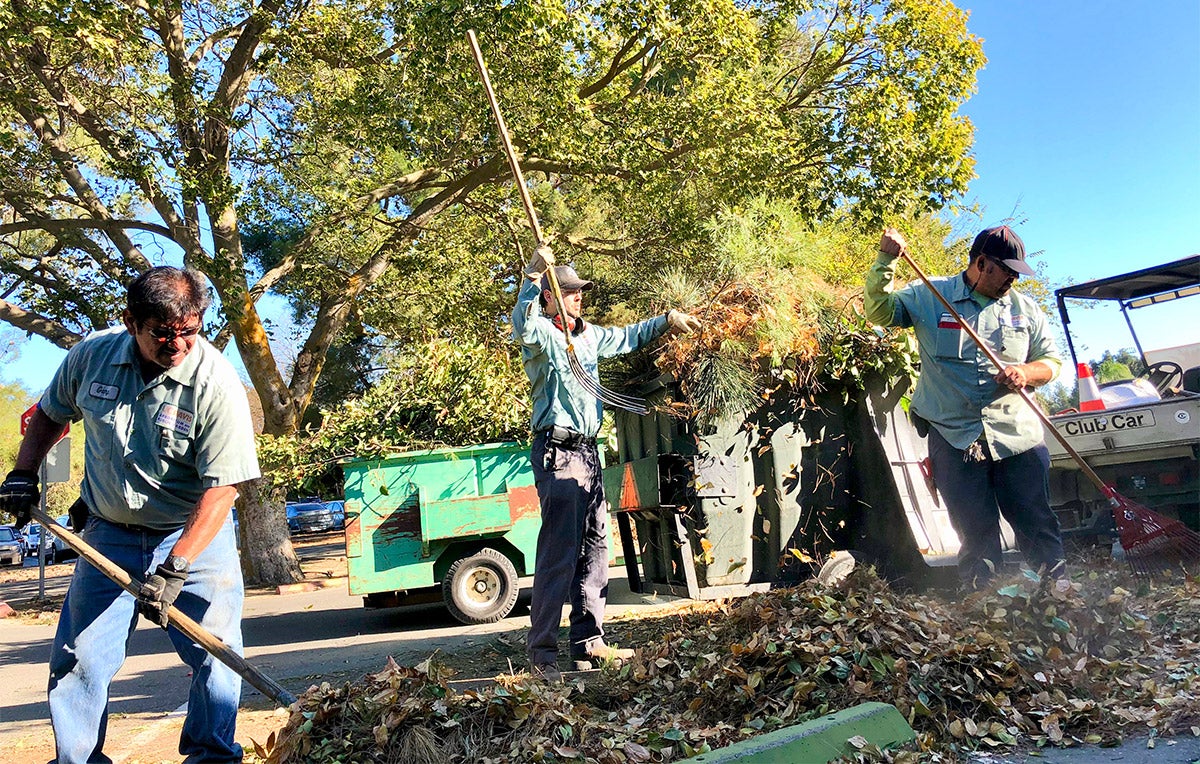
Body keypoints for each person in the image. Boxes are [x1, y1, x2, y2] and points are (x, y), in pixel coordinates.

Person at [0, 266, 260, 763]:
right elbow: (51, 413)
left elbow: (222, 489)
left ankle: (212, 756)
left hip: (193, 537)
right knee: (80, 659)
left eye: (189, 331)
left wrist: (177, 566)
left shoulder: (216, 383)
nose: (177, 345)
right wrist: (22, 473)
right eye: (162, 333)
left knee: (216, 655)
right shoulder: (91, 356)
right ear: (131, 322)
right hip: (108, 534)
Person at [513, 245, 699, 680]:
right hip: (557, 453)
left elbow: (629, 335)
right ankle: (542, 656)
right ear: (552, 297)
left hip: (589, 453)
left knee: (597, 548)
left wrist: (667, 320)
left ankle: (588, 643)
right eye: (571, 291)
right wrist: (531, 277)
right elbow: (521, 326)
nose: (578, 297)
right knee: (558, 553)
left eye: (580, 291)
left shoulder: (591, 335)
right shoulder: (540, 334)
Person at [864, 226, 1067, 589]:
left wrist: (1026, 371)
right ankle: (985, 603)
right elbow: (879, 312)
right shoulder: (931, 296)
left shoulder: (1025, 309)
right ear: (981, 262)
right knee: (975, 532)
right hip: (955, 438)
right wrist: (886, 260)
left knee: (1036, 522)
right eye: (1007, 269)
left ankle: (1056, 593)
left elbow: (1052, 362)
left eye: (1017, 271)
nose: (1013, 278)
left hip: (1017, 437)